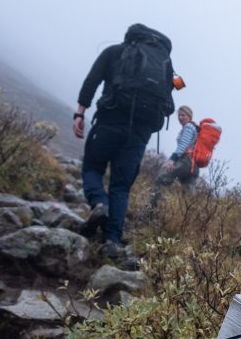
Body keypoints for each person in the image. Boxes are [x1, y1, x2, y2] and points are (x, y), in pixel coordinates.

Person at [73, 23, 175, 259]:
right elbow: (168, 104)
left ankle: (99, 203)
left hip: (110, 119)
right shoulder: (164, 64)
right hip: (140, 132)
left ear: (130, 37)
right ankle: (112, 241)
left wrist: (80, 112)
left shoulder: (115, 52)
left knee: (92, 167)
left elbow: (92, 81)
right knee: (121, 186)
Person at [156, 105, 199, 191]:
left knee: (161, 179)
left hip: (186, 161)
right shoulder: (195, 128)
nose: (180, 117)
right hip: (195, 165)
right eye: (179, 115)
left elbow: (183, 144)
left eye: (183, 115)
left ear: (189, 116)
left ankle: (154, 205)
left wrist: (172, 159)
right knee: (187, 193)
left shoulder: (188, 127)